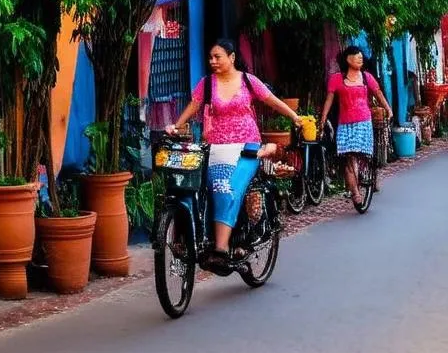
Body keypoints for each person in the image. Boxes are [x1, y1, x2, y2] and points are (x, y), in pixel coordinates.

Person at [167, 39, 301, 265]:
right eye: (210, 57)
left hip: (247, 147)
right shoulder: (207, 84)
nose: (213, 61)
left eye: (217, 56)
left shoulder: (248, 81)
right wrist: (176, 125)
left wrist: (295, 117)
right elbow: (194, 105)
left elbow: (273, 101)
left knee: (227, 188)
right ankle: (205, 239)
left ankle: (221, 247)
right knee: (207, 189)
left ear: (232, 57)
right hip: (216, 148)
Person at [319, 46, 393, 207]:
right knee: (349, 158)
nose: (360, 59)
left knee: (363, 154)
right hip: (344, 124)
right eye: (356, 57)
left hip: (364, 122)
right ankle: (356, 193)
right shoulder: (337, 79)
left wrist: (388, 109)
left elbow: (378, 93)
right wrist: (323, 119)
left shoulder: (367, 77)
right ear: (347, 60)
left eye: (361, 57)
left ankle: (370, 175)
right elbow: (329, 100)